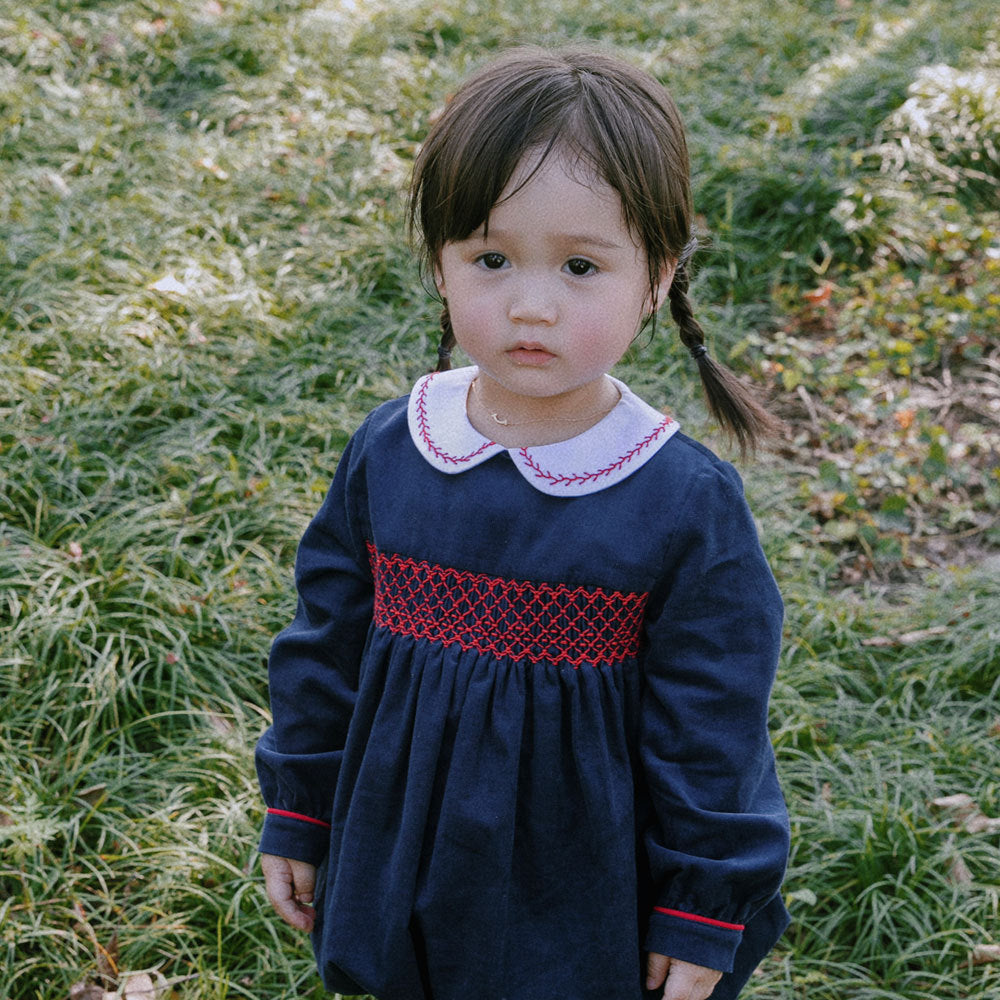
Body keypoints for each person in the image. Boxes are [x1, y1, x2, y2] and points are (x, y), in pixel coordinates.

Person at [255, 45, 790, 1000]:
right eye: (491, 258)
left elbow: (713, 729)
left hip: (579, 892)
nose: (531, 305)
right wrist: (299, 809)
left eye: (582, 265)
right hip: (401, 849)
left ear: (657, 278)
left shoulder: (681, 503)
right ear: (440, 264)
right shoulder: (394, 450)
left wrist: (706, 908)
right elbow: (324, 644)